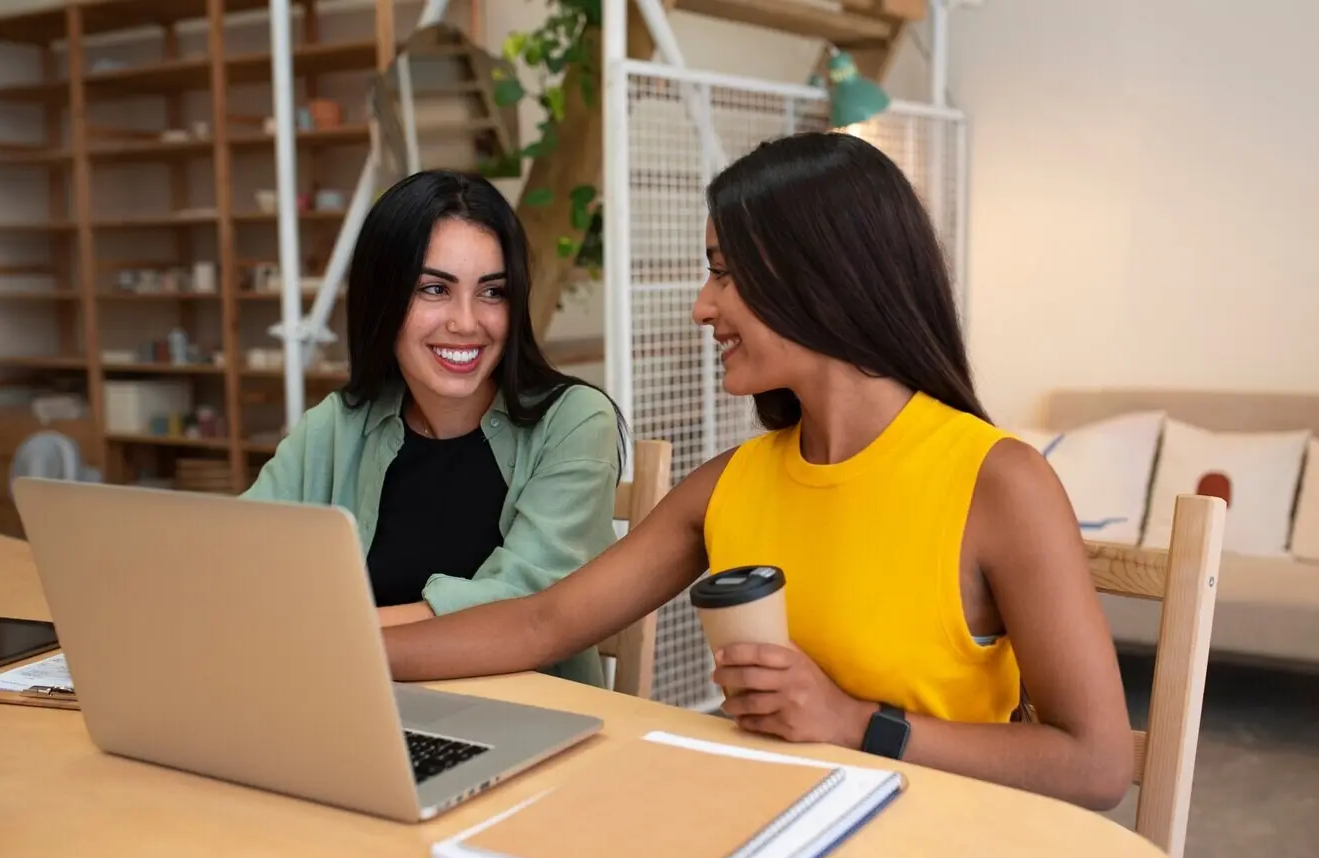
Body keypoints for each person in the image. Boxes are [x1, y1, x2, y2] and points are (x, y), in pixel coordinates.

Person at [376, 133, 1135, 810]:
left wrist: (854, 725)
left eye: (724, 274)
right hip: (777, 834)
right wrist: (336, 647)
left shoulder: (998, 483)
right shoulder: (727, 486)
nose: (702, 307)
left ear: (823, 277)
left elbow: (1097, 765)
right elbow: (544, 623)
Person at [243, 169, 625, 688]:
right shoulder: (338, 424)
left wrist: (329, 635)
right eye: (434, 289)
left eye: (492, 292)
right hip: (359, 708)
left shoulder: (575, 421)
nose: (466, 322)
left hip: (537, 722)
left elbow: (524, 602)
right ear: (383, 298)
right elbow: (240, 558)